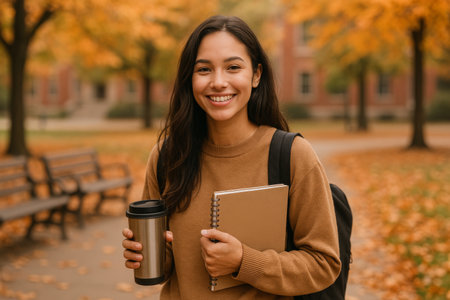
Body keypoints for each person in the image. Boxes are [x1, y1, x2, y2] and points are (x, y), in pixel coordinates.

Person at [122, 15, 340, 299]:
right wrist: (144, 255)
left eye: (233, 67)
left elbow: (324, 264)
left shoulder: (292, 156)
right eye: (204, 69)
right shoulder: (168, 156)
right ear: (190, 78)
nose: (218, 82)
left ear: (256, 74)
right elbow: (170, 266)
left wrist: (243, 262)